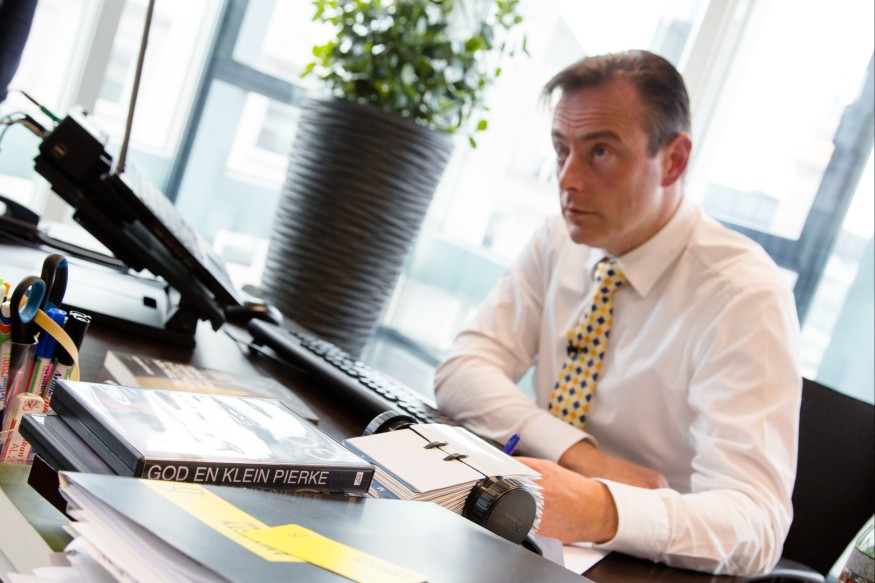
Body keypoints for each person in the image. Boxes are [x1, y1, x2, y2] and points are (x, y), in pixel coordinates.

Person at [433, 50, 801, 577]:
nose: (568, 179)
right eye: (561, 150)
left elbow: (757, 524)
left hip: (644, 568)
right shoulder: (560, 237)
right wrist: (579, 455)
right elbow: (463, 368)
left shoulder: (744, 296)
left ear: (673, 160)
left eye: (600, 152)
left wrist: (600, 506)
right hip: (528, 532)